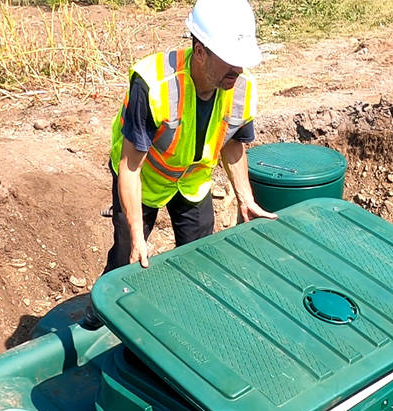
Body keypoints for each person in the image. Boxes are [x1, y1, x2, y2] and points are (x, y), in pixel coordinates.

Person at [101, 0, 276, 279]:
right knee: (128, 260)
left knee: (199, 258)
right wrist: (137, 235)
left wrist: (246, 198)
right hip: (144, 179)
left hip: (193, 182)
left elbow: (232, 144)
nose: (239, 70)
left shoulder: (241, 87)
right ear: (200, 52)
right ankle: (101, 316)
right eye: (231, 60)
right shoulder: (152, 83)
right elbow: (130, 166)